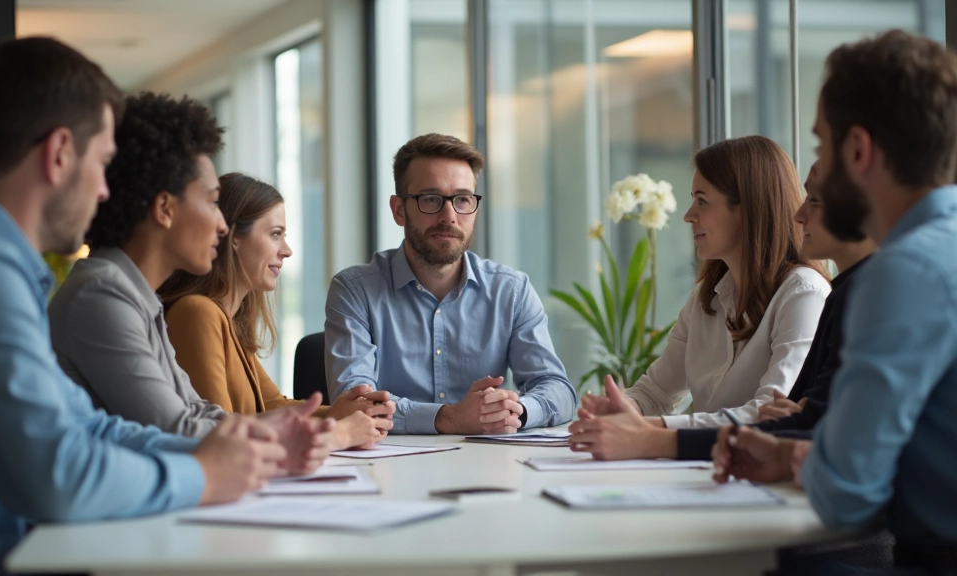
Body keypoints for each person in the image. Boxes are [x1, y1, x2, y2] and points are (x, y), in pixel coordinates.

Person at [0, 38, 285, 576]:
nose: (104, 191)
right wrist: (205, 476)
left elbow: (85, 426)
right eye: (101, 163)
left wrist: (219, 452)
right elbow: (58, 474)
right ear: (58, 155)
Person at [712, 30, 957, 575]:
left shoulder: (903, 271)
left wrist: (803, 458)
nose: (813, 174)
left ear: (859, 151)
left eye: (822, 146)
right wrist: (794, 454)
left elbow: (848, 491)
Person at [47, 92, 332, 474]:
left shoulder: (133, 295)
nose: (220, 223)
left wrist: (288, 427)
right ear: (165, 209)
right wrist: (298, 435)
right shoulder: (101, 296)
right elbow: (176, 429)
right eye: (213, 202)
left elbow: (195, 410)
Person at [570, 161, 875, 461]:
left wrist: (648, 432)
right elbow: (656, 392)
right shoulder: (708, 295)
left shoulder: (804, 292)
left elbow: (767, 414)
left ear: (748, 210)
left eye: (702, 202)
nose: (689, 216)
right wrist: (625, 409)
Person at [325, 133, 577, 434]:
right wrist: (447, 418)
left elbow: (558, 390)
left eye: (462, 199)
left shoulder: (512, 291)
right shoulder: (355, 291)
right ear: (399, 210)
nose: (449, 215)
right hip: (391, 471)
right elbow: (356, 404)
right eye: (430, 199)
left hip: (486, 466)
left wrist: (517, 412)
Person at [158, 173, 395, 450]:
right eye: (275, 234)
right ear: (234, 237)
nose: (287, 250)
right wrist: (338, 431)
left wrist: (335, 413)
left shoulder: (227, 319)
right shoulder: (198, 313)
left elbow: (271, 405)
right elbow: (222, 434)